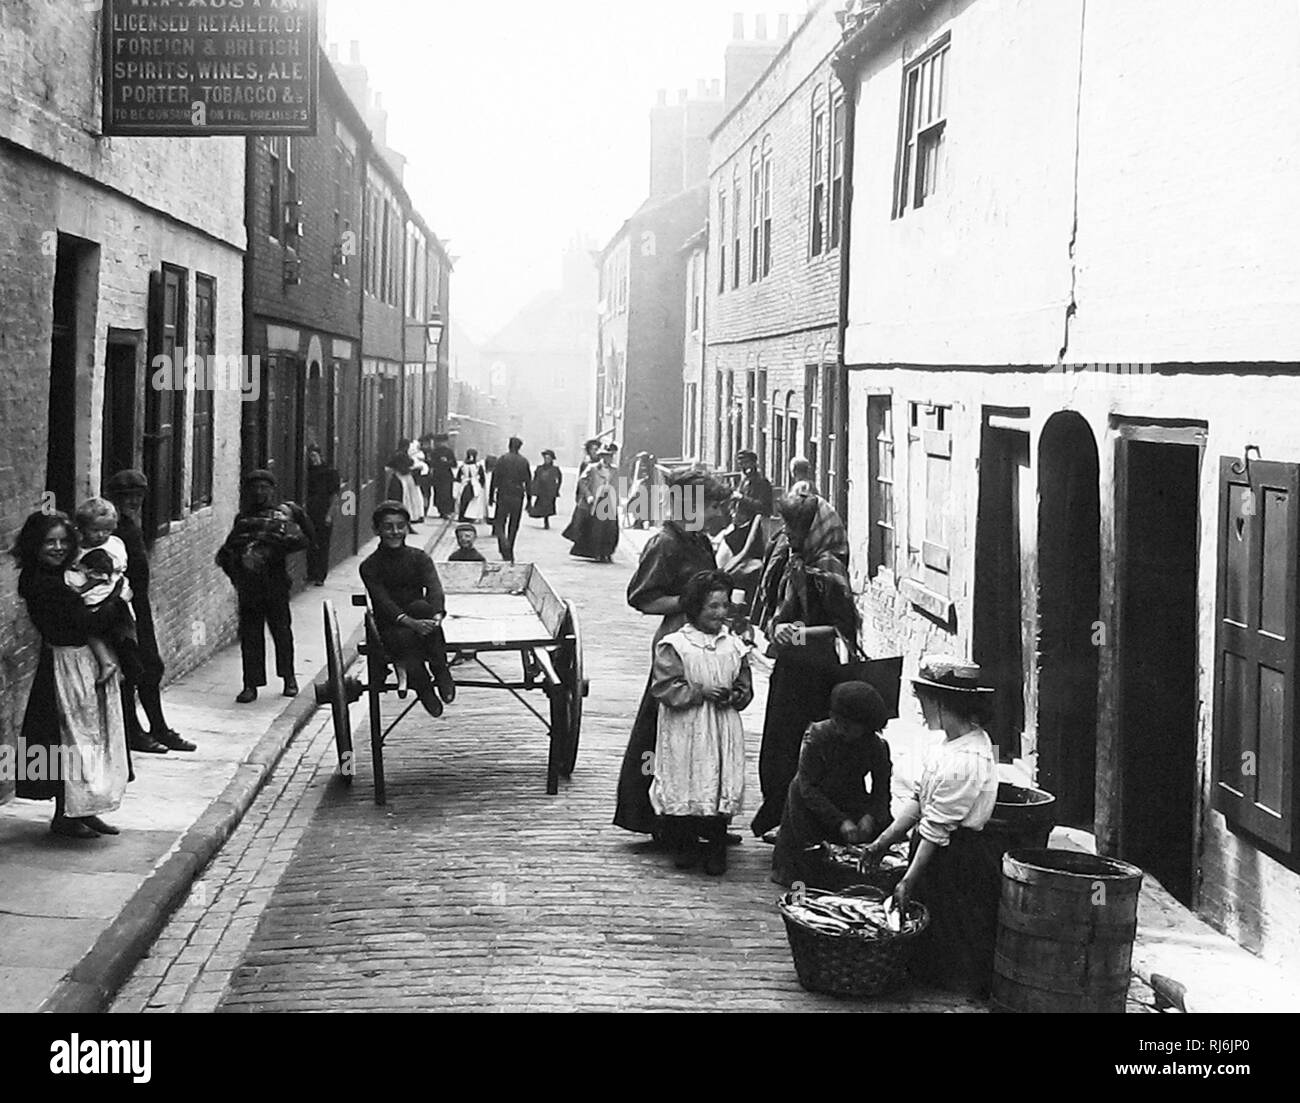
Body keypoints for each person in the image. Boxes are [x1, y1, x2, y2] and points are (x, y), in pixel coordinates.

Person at [861, 657, 1000, 998]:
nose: (920, 710)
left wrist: (910, 877)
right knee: (926, 938)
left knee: (950, 939)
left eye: (922, 701)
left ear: (938, 702)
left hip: (956, 857)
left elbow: (937, 827)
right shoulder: (946, 745)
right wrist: (882, 842)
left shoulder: (967, 758)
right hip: (934, 849)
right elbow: (921, 801)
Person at [613, 468, 734, 838]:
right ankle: (658, 818)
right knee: (665, 734)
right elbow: (642, 598)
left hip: (708, 646)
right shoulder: (666, 543)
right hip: (678, 648)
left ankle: (702, 818)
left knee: (705, 734)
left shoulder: (701, 541)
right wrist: (689, 603)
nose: (720, 513)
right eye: (715, 505)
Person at [12, 510, 130, 838]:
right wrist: (117, 599)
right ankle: (67, 814)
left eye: (64, 541)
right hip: (66, 664)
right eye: (50, 542)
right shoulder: (41, 584)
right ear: (35, 545)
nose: (58, 548)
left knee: (89, 737)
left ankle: (83, 808)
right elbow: (85, 623)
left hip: (81, 660)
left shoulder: (65, 575)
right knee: (70, 738)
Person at [750, 488, 858, 840]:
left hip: (817, 675)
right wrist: (777, 629)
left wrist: (794, 634)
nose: (789, 536)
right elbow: (775, 611)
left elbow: (843, 630)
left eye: (795, 530)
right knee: (777, 748)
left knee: (805, 749)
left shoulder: (828, 566)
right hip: (789, 671)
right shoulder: (792, 559)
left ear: (814, 529)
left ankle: (800, 823)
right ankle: (779, 814)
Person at [649, 570, 753, 875]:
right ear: (695, 608)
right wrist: (699, 691)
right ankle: (685, 843)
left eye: (724, 606)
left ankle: (716, 845)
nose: (720, 613)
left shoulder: (733, 646)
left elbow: (745, 686)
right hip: (688, 726)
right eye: (712, 607)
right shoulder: (676, 645)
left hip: (721, 727)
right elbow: (665, 687)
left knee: (719, 778)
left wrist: (732, 696)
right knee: (687, 777)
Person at [105, 470, 194, 754]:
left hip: (138, 606)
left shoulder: (130, 525)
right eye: (126, 497)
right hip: (120, 608)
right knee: (132, 670)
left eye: (138, 496)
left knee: (151, 667)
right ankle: (134, 731)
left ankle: (158, 728)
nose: (133, 501)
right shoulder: (112, 529)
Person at [771, 681, 892, 888]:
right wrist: (840, 821)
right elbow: (807, 787)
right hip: (810, 802)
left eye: (847, 726)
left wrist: (870, 817)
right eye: (836, 723)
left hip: (850, 797)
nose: (840, 730)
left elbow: (882, 791)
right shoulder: (816, 736)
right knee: (804, 867)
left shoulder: (876, 747)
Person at [215, 470, 313, 704]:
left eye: (264, 488)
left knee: (281, 632)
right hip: (249, 586)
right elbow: (230, 549)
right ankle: (251, 685)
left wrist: (273, 545)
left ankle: (289, 678)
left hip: (275, 583)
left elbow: (302, 539)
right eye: (255, 488)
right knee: (251, 636)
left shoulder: (281, 517)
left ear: (272, 490)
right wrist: (240, 564)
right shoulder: (243, 519)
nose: (259, 492)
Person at [359, 501, 457, 718]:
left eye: (400, 526)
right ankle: (423, 685)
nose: (395, 532)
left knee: (422, 606)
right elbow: (382, 601)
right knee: (404, 638)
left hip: (423, 618)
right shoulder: (370, 566)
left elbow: (434, 588)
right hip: (392, 623)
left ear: (406, 527)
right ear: (377, 530)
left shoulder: (418, 557)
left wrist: (437, 615)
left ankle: (440, 669)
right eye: (388, 527)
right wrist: (410, 623)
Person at [64, 498, 137, 686]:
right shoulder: (82, 549)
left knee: (91, 628)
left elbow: (100, 577)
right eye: (95, 530)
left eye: (108, 530)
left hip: (102, 596)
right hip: (110, 594)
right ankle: (117, 666)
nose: (102, 535)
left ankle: (110, 663)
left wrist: (80, 588)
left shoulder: (107, 550)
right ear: (81, 528)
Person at [716, 494, 770, 611]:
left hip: (735, 593)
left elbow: (719, 566)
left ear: (744, 515)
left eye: (736, 511)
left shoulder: (730, 539)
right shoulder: (761, 535)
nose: (733, 514)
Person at [566, 446, 620, 562]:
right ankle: (598, 552)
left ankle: (608, 552)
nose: (608, 459)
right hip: (597, 501)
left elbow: (619, 485)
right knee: (598, 529)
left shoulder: (615, 470)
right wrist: (589, 495)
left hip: (610, 502)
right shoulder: (593, 468)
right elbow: (582, 481)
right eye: (605, 456)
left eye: (610, 456)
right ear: (601, 457)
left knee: (610, 530)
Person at [489, 436, 532, 563]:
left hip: (503, 494)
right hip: (518, 495)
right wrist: (529, 500)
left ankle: (503, 544)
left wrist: (491, 495)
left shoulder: (502, 459)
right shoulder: (524, 461)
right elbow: (528, 482)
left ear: (509, 445)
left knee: (499, 522)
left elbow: (494, 478)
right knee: (514, 524)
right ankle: (510, 548)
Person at [305, 443, 340, 586]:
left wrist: (330, 514)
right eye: (310, 456)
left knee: (323, 544)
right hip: (311, 513)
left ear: (320, 455)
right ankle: (311, 574)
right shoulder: (309, 472)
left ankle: (320, 576)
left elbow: (335, 496)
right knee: (311, 543)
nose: (312, 459)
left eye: (314, 455)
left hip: (324, 512)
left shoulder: (330, 472)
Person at [528, 450, 563, 529]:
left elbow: (559, 479)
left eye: (548, 458)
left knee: (548, 507)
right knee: (540, 506)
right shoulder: (539, 468)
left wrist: (556, 489)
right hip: (541, 491)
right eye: (545, 458)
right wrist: (533, 489)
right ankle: (539, 515)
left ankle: (546, 521)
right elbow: (535, 479)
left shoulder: (555, 469)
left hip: (550, 491)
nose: (546, 460)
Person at [428, 433, 459, 519]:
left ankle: (446, 511)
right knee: (438, 493)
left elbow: (454, 463)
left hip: (446, 475)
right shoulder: (435, 452)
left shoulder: (449, 452)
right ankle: (441, 510)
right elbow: (432, 463)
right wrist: (440, 462)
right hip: (438, 475)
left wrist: (447, 462)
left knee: (446, 493)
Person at [736, 450, 774, 516]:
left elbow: (764, 507)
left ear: (754, 463)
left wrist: (742, 498)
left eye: (746, 463)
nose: (744, 466)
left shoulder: (762, 482)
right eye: (741, 464)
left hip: (756, 521)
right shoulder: (743, 481)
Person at [455, 448, 487, 524]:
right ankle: (472, 516)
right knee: (475, 502)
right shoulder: (478, 466)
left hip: (465, 484)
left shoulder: (463, 466)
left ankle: (462, 516)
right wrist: (482, 485)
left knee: (462, 500)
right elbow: (482, 478)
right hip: (475, 484)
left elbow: (458, 477)